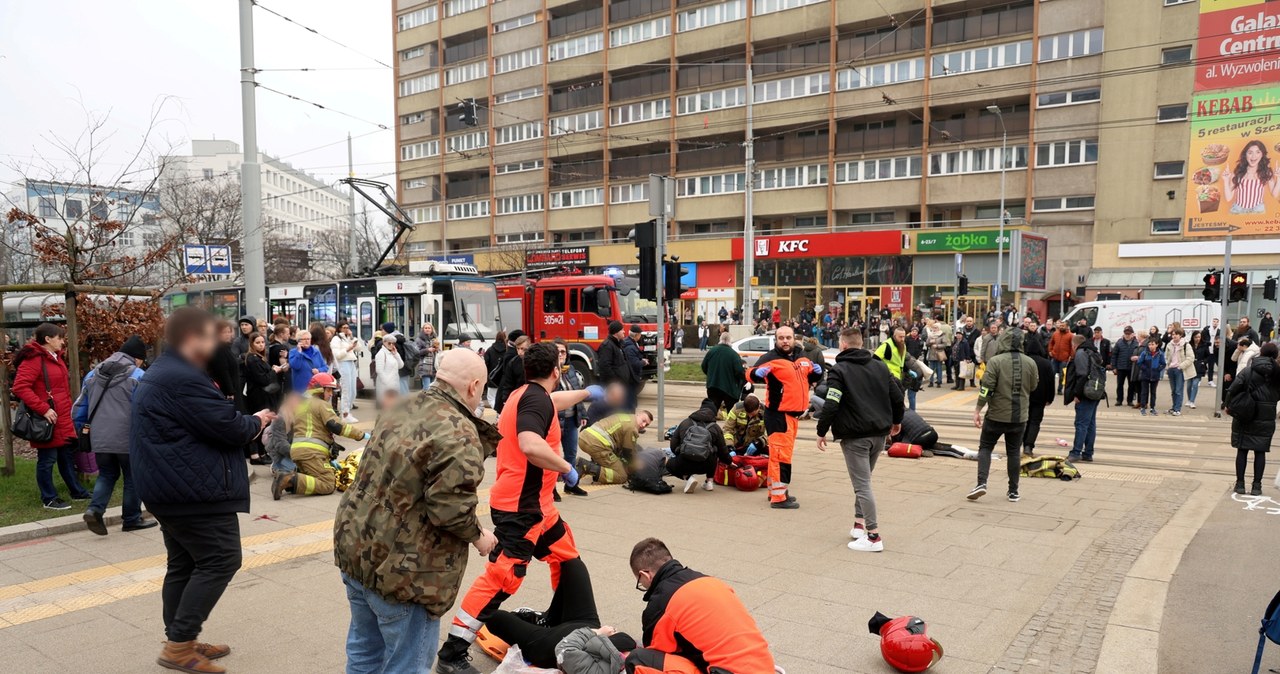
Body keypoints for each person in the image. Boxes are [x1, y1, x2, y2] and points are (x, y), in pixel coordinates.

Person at [437, 343, 603, 674]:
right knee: (503, 578)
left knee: (567, 557)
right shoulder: (533, 400)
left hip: (540, 510)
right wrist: (565, 467)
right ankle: (452, 653)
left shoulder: (524, 394)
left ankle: (558, 620)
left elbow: (553, 401)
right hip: (522, 511)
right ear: (556, 371)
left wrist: (584, 393)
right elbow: (530, 444)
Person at [335, 349, 499, 674]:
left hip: (356, 548)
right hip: (406, 575)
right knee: (407, 665)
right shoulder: (459, 433)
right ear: (474, 386)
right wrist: (480, 536)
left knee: (364, 651)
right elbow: (451, 508)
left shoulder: (402, 404)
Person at [132, 307, 275, 673]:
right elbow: (228, 427)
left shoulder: (168, 371)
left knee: (183, 564)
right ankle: (180, 646)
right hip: (192, 490)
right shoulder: (183, 378)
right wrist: (256, 420)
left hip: (172, 486)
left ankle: (180, 639)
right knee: (221, 558)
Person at [625, 538, 775, 674]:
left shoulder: (661, 604)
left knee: (639, 659)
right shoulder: (711, 581)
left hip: (725, 671)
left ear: (645, 575)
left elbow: (658, 653)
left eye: (641, 583)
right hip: (764, 666)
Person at [816, 327, 904, 552]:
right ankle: (859, 524)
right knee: (864, 481)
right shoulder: (879, 366)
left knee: (862, 484)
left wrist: (821, 430)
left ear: (843, 344)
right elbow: (896, 397)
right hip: (879, 434)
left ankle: (873, 536)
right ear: (862, 343)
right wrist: (897, 421)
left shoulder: (839, 370)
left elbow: (832, 402)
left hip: (856, 436)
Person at [484, 557, 636, 672]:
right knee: (573, 563)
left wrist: (596, 634)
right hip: (586, 623)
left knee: (492, 616)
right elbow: (627, 639)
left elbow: (566, 649)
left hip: (547, 645)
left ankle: (545, 623)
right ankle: (549, 618)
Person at [74, 335, 155, 534]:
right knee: (132, 477)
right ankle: (131, 519)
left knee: (107, 474)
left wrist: (83, 432)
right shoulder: (137, 375)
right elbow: (148, 409)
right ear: (137, 358)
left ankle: (94, 510)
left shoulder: (92, 374)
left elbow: (78, 410)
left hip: (100, 438)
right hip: (129, 438)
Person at [13, 322, 91, 509]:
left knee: (66, 456)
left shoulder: (55, 357)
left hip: (61, 417)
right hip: (47, 419)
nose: (63, 342)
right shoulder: (34, 359)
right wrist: (43, 409)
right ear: (47, 339)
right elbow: (20, 387)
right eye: (59, 338)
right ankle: (49, 498)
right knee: (47, 459)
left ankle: (76, 491)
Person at [749, 325, 820, 509]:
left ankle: (776, 491)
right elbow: (748, 373)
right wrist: (755, 373)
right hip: (779, 415)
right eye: (781, 338)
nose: (785, 341)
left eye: (788, 337)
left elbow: (807, 379)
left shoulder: (802, 356)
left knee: (779, 456)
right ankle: (779, 498)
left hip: (793, 416)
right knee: (781, 457)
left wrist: (816, 374)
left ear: (794, 338)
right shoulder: (770, 358)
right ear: (776, 340)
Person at [271, 373, 369, 499]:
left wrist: (330, 449)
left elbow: (314, 429)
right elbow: (336, 426)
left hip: (298, 452)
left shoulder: (302, 405)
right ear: (319, 389)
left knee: (314, 478)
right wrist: (361, 435)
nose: (331, 394)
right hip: (312, 453)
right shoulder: (321, 404)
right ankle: (288, 478)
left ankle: (290, 483)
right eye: (328, 390)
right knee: (328, 483)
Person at [970, 328, 1038, 502]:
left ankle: (981, 483)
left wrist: (978, 409)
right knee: (1014, 452)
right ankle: (1013, 491)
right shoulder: (1030, 362)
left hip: (995, 415)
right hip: (1019, 417)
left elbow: (987, 387)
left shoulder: (995, 361)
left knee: (985, 448)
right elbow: (1033, 386)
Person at [1227, 342, 1280, 496]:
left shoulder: (1249, 370)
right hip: (1266, 416)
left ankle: (1240, 484)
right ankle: (1257, 486)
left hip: (1245, 414)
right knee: (1260, 451)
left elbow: (1234, 388)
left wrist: (1227, 405)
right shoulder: (1278, 374)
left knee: (1242, 450)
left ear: (1261, 353)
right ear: (1275, 355)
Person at [668, 399, 732, 494]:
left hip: (684, 463)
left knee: (669, 464)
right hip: (706, 465)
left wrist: (680, 452)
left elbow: (673, 445)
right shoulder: (715, 428)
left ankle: (688, 477)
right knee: (714, 450)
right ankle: (709, 482)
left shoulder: (685, 423)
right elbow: (722, 451)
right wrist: (730, 462)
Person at [576, 411, 654, 485]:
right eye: (643, 420)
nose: (643, 425)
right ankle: (586, 466)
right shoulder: (632, 428)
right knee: (621, 475)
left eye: (646, 424)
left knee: (614, 458)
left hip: (584, 437)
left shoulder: (625, 416)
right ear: (638, 414)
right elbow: (628, 453)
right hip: (596, 444)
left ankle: (596, 464)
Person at [555, 338, 589, 498]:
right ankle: (550, 489)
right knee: (553, 456)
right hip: (555, 421)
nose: (560, 354)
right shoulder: (548, 371)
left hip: (571, 419)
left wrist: (583, 414)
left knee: (570, 454)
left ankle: (572, 485)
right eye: (557, 351)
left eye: (563, 351)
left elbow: (577, 393)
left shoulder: (570, 369)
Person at [1063, 334, 1103, 463]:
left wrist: (1077, 394)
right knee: (1090, 424)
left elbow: (1082, 374)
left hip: (1085, 393)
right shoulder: (1092, 352)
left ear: (1074, 345)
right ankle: (1088, 453)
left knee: (1081, 424)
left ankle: (1076, 452)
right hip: (1095, 391)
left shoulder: (1081, 353)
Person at [242, 332, 279, 465]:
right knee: (259, 423)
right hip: (258, 397)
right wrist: (274, 371)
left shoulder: (259, 357)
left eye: (262, 342)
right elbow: (263, 379)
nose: (261, 345)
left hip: (263, 396)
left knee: (264, 424)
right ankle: (255, 455)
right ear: (252, 344)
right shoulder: (252, 358)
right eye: (257, 342)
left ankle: (261, 453)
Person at [1021, 332, 1056, 458]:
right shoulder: (1046, 363)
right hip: (1040, 398)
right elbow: (1051, 382)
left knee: (1024, 420)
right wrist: (1050, 398)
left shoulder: (1023, 361)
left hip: (1024, 396)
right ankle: (1029, 446)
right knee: (1035, 422)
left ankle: (1021, 442)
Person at [1222, 139, 1279, 214]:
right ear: (1245, 155)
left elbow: (1274, 194)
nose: (1254, 156)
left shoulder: (1266, 172)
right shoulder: (1237, 173)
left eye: (1258, 152)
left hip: (1258, 210)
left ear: (1262, 154)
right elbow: (1228, 198)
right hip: (1238, 210)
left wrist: (1279, 178)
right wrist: (1226, 180)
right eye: (1250, 152)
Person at [702, 331, 744, 415]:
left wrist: (711, 375)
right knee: (731, 413)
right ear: (730, 341)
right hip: (729, 389)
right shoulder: (734, 355)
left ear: (720, 339)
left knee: (712, 410)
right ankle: (729, 428)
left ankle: (710, 426)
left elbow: (704, 366)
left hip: (713, 386)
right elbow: (739, 371)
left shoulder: (711, 351)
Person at [208, 320, 245, 417]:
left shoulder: (226, 348)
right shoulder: (218, 349)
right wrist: (230, 391)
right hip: (226, 390)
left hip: (233, 387)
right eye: (224, 332)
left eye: (229, 331)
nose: (228, 335)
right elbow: (223, 371)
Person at [332, 322, 362, 423]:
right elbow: (337, 355)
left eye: (348, 327)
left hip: (351, 363)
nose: (346, 329)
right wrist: (348, 349)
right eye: (344, 328)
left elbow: (359, 348)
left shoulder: (348, 338)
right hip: (343, 363)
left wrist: (352, 337)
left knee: (353, 390)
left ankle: (348, 411)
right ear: (339, 329)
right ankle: (345, 413)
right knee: (346, 389)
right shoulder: (336, 339)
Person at [494, 335, 530, 414]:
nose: (520, 352)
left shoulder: (536, 361)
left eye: (523, 349)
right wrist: (505, 400)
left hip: (531, 396)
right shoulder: (513, 362)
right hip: (517, 397)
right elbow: (508, 383)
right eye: (518, 348)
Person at [288, 328, 328, 394]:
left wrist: (319, 370)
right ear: (298, 341)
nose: (307, 341)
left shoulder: (316, 351)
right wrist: (299, 353)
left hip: (316, 387)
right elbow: (295, 366)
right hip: (301, 389)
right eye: (304, 339)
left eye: (308, 339)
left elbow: (325, 367)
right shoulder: (293, 352)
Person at [1165, 328, 1194, 416]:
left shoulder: (1186, 345)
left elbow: (1191, 358)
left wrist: (1180, 366)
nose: (1174, 336)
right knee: (1173, 390)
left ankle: (1177, 409)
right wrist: (1168, 366)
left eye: (1176, 334)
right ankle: (1174, 407)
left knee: (1178, 390)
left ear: (1180, 335)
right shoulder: (1169, 345)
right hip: (1171, 369)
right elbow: (1166, 356)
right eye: (1173, 334)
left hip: (1179, 370)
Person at [1136, 339, 1166, 417]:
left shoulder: (1160, 354)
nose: (1151, 346)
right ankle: (1143, 407)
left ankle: (1152, 408)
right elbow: (1139, 362)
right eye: (1149, 344)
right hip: (1145, 376)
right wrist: (1145, 368)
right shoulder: (1144, 353)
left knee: (1153, 393)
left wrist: (1158, 370)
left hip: (1155, 376)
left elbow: (1163, 364)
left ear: (1156, 345)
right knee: (1144, 392)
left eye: (1152, 344)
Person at [1111, 326, 1140, 407]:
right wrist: (1114, 367)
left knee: (1131, 385)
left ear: (1132, 334)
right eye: (1126, 333)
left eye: (1129, 334)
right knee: (1120, 385)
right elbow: (1114, 355)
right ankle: (1119, 400)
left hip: (1132, 368)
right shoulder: (1119, 342)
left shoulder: (1136, 343)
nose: (1127, 335)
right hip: (1121, 367)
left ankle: (1130, 401)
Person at [373, 334, 405, 406]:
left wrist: (396, 354)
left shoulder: (392, 353)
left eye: (393, 343)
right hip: (385, 386)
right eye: (389, 343)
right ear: (384, 343)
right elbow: (379, 370)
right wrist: (387, 383)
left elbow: (401, 365)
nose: (391, 345)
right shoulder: (381, 354)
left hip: (394, 384)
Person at [596, 321, 629, 388]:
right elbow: (605, 367)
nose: (624, 331)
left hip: (620, 385)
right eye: (622, 330)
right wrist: (615, 381)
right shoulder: (607, 346)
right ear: (616, 332)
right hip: (612, 386)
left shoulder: (618, 344)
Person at [623, 324, 648, 411]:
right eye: (640, 334)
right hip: (631, 377)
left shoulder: (630, 343)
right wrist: (643, 362)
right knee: (630, 401)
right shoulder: (630, 347)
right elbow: (634, 363)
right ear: (636, 335)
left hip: (631, 377)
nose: (641, 336)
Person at [1048, 321, 1074, 395]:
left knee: (1062, 376)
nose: (1061, 327)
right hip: (1055, 358)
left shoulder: (1070, 335)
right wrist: (1050, 351)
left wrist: (1071, 356)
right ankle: (1050, 389)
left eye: (1063, 326)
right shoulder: (1055, 334)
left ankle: (1060, 389)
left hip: (1064, 359)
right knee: (1051, 374)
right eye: (1060, 325)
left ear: (1067, 326)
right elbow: (1051, 343)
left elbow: (1072, 347)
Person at [484, 330, 508, 408]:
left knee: (491, 398)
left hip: (493, 379)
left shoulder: (490, 350)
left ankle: (498, 413)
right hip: (504, 379)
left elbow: (485, 364)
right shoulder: (508, 351)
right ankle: (501, 413)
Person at [268, 324, 293, 394]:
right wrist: (292, 362)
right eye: (287, 334)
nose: (289, 336)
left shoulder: (270, 345)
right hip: (279, 381)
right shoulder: (281, 349)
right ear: (281, 334)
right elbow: (284, 367)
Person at [1188, 330, 1209, 409]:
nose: (1197, 338)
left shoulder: (1204, 345)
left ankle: (1192, 401)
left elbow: (1208, 356)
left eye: (1199, 337)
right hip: (1190, 365)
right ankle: (1189, 399)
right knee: (1189, 385)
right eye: (1196, 337)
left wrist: (1204, 362)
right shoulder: (1189, 345)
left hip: (1199, 366)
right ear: (1193, 337)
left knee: (1195, 384)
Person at [416, 323, 440, 390]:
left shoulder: (435, 339)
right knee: (427, 387)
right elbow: (417, 352)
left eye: (429, 328)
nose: (427, 329)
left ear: (432, 330)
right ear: (423, 330)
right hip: (424, 366)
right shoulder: (419, 339)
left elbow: (439, 352)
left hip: (434, 366)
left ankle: (429, 400)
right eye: (425, 328)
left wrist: (437, 349)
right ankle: (424, 399)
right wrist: (427, 350)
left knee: (433, 388)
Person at [925, 320, 947, 388]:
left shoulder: (942, 335)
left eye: (936, 327)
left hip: (938, 354)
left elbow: (944, 344)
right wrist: (930, 343)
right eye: (933, 327)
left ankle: (939, 382)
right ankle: (931, 382)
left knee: (939, 368)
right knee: (931, 369)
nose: (934, 329)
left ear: (939, 328)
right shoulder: (930, 335)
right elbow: (927, 344)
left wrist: (937, 346)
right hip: (931, 354)